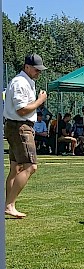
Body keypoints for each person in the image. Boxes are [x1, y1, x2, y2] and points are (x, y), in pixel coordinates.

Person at [3, 53, 48, 218]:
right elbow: (21, 110)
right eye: (36, 70)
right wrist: (40, 100)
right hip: (20, 127)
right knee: (31, 166)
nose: (38, 73)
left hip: (15, 126)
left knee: (15, 168)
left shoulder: (25, 82)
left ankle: (8, 204)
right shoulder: (20, 83)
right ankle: (9, 205)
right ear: (27, 67)